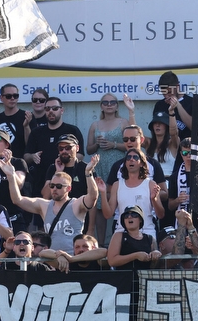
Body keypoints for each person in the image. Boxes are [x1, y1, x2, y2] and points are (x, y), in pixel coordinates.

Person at [108, 205, 161, 321]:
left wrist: (155, 255)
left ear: (140, 220)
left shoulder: (149, 238)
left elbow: (154, 265)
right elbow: (112, 260)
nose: (129, 218)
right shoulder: (119, 236)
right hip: (123, 289)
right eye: (126, 215)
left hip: (144, 290)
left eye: (134, 215)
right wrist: (135, 255)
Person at [0, 156, 99, 254]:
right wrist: (11, 176)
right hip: (52, 259)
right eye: (52, 186)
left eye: (59, 186)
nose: (54, 189)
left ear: (68, 189)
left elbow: (92, 197)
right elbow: (17, 200)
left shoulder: (76, 203)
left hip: (72, 257)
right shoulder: (44, 205)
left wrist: (88, 174)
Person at [86, 93, 133, 241]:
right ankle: (100, 243)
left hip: (118, 165)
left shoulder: (123, 122)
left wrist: (114, 145)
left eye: (112, 102)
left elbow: (131, 145)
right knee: (100, 205)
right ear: (101, 106)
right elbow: (88, 150)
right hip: (100, 166)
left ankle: (119, 240)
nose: (109, 105)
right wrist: (97, 144)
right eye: (105, 102)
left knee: (119, 202)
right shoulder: (95, 125)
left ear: (117, 105)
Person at [24, 96, 85, 196]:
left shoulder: (72, 130)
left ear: (62, 110)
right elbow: (26, 156)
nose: (51, 111)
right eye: (47, 109)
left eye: (55, 108)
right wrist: (32, 156)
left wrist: (64, 160)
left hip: (65, 181)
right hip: (40, 182)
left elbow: (81, 155)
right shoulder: (36, 132)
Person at [104, 150, 164, 241]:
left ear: (141, 163)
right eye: (128, 158)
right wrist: (102, 192)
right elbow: (108, 215)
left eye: (135, 157)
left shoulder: (151, 184)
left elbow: (161, 215)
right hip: (121, 232)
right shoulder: (117, 185)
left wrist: (154, 199)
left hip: (146, 231)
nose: (131, 160)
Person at [152, 71, 193, 139]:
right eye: (163, 93)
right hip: (167, 148)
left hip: (187, 147)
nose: (166, 96)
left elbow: (193, 127)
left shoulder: (192, 103)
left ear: (177, 87)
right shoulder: (159, 105)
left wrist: (178, 105)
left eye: (169, 92)